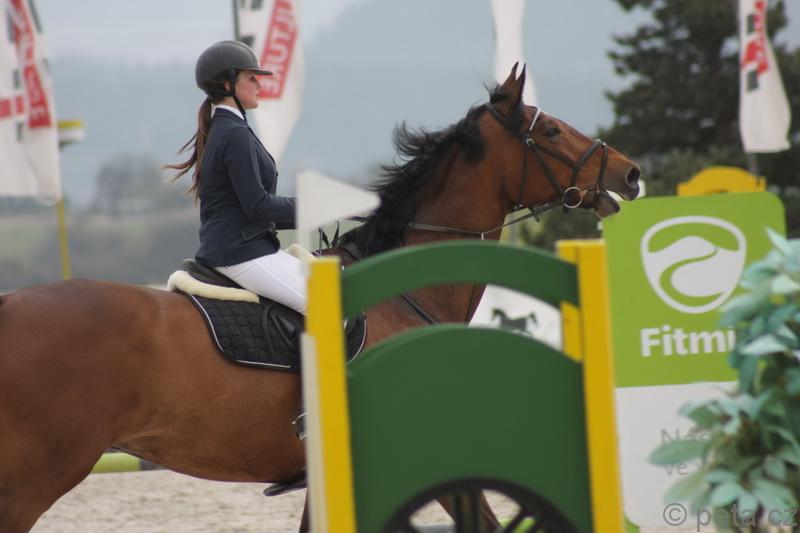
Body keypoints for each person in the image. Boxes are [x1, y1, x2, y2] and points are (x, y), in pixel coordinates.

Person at [166, 40, 306, 314]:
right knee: (328, 304)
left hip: (238, 248)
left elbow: (249, 210)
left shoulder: (225, 128)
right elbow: (257, 205)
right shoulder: (235, 134)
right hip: (242, 253)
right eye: (251, 77)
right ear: (228, 84)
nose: (259, 84)